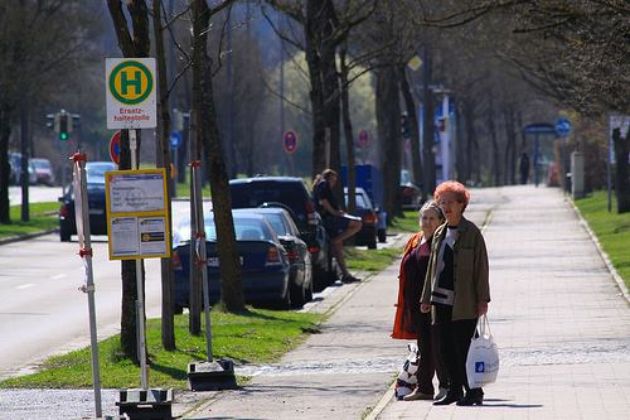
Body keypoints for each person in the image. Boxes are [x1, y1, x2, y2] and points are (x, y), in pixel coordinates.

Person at [421, 181, 490, 406]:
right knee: (445, 348)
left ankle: (473, 390)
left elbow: (481, 268)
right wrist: (425, 298)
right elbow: (432, 268)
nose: (446, 206)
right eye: (442, 202)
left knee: (465, 348)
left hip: (464, 301)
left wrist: (483, 299)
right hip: (440, 300)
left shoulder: (472, 233)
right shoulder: (440, 233)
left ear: (462, 204)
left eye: (450, 202)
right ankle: (454, 390)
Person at [392, 201, 449, 401]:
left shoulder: (442, 241)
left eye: (432, 218)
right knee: (424, 346)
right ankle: (424, 388)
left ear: (442, 221)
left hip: (435, 304)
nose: (427, 222)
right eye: (424, 217)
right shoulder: (416, 240)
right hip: (415, 305)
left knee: (438, 346)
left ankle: (446, 386)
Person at [313, 169, 362, 283]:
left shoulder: (320, 185)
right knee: (357, 223)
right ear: (329, 177)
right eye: (333, 180)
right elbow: (323, 201)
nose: (334, 183)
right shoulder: (324, 184)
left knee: (338, 249)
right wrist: (334, 213)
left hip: (329, 218)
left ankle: (345, 274)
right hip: (330, 219)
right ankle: (335, 240)